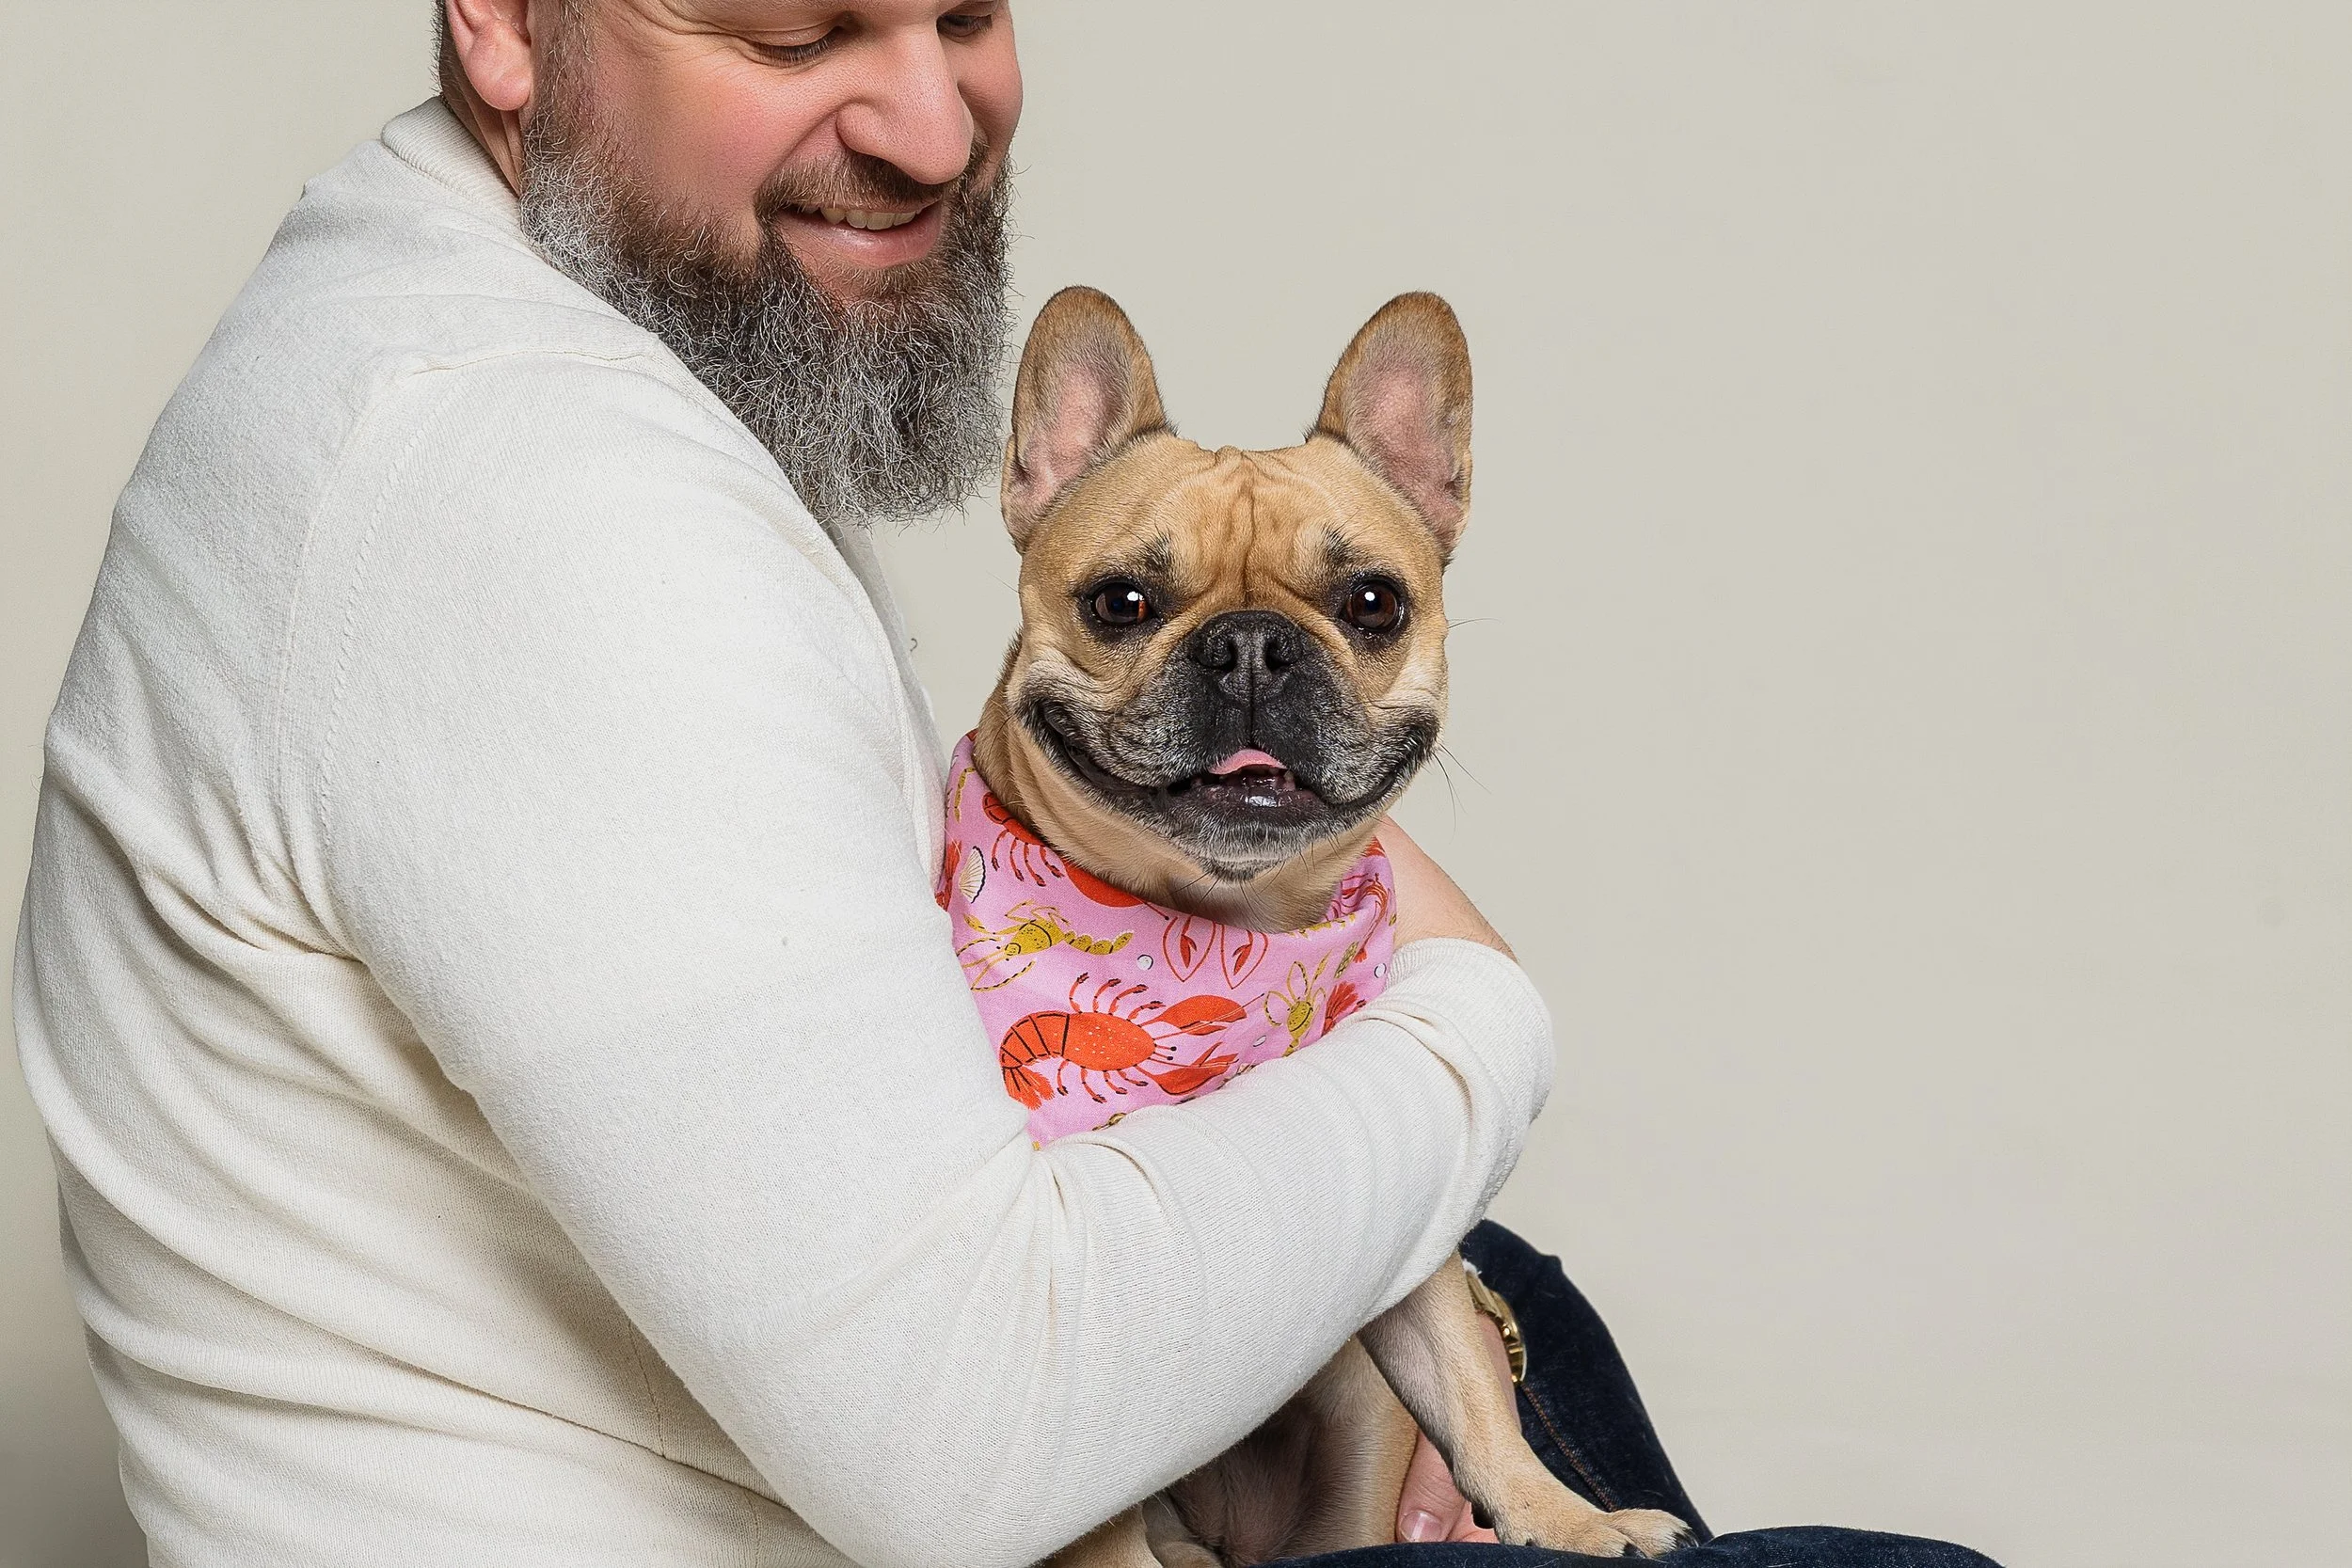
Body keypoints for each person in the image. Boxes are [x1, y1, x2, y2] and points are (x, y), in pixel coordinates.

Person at [11, 3, 1996, 1565]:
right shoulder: (531, 498)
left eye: (962, 12)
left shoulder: (569, 328)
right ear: (506, 23)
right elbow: (965, 1446)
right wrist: (1472, 1019)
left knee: (1503, 1297)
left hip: (1034, 1398)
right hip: (952, 1490)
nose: (935, 128)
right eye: (795, 39)